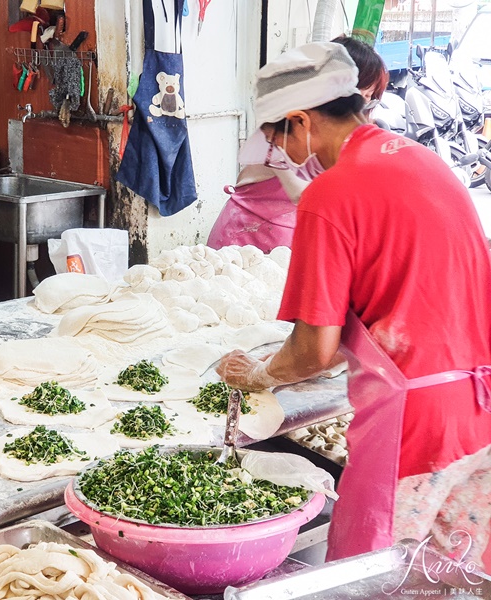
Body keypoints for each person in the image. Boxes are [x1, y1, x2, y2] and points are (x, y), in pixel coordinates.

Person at [217, 42, 491, 569]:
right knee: (454, 574)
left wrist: (259, 375)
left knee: (366, 575)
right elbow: (400, 302)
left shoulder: (332, 193)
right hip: (478, 411)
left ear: (300, 121)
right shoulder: (421, 160)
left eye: (276, 136)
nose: (278, 151)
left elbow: (314, 349)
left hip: (413, 425)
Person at [207, 36, 388, 252]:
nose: (363, 106)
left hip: (287, 234)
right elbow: (301, 194)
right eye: (360, 94)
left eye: (369, 97)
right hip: (245, 235)